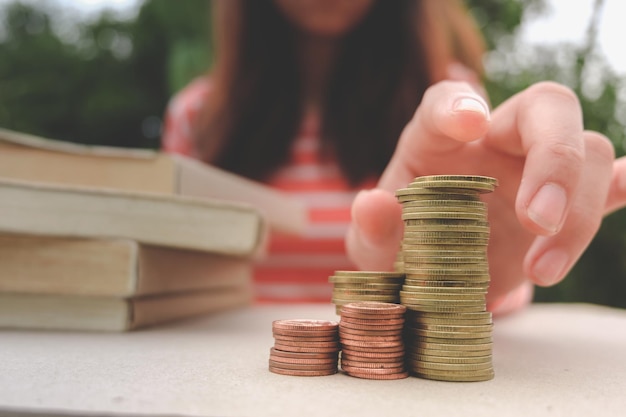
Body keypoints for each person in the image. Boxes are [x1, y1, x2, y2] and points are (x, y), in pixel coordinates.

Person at [162, 0, 624, 315]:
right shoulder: (196, 119)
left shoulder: (450, 106)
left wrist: (477, 282)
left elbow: (492, 290)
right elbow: (169, 287)